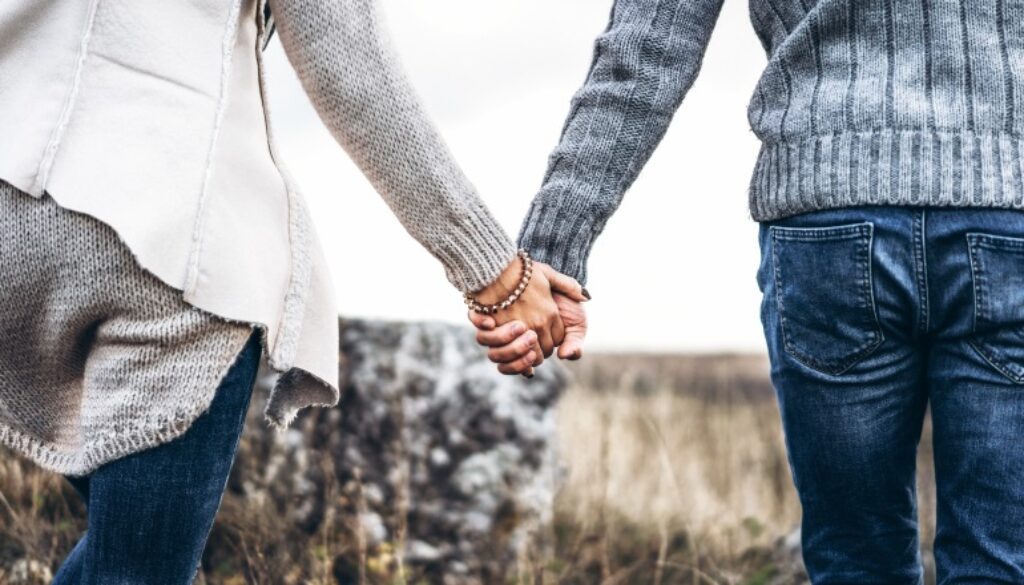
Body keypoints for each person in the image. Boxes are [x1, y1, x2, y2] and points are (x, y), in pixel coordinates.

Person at [0, 0, 584, 581]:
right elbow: (353, 69)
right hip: (165, 249)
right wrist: (499, 276)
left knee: (124, 556)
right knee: (134, 570)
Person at [471, 0, 1024, 582]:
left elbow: (649, 43)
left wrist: (549, 254)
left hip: (828, 222)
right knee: (1001, 560)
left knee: (856, 560)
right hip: (1008, 210)